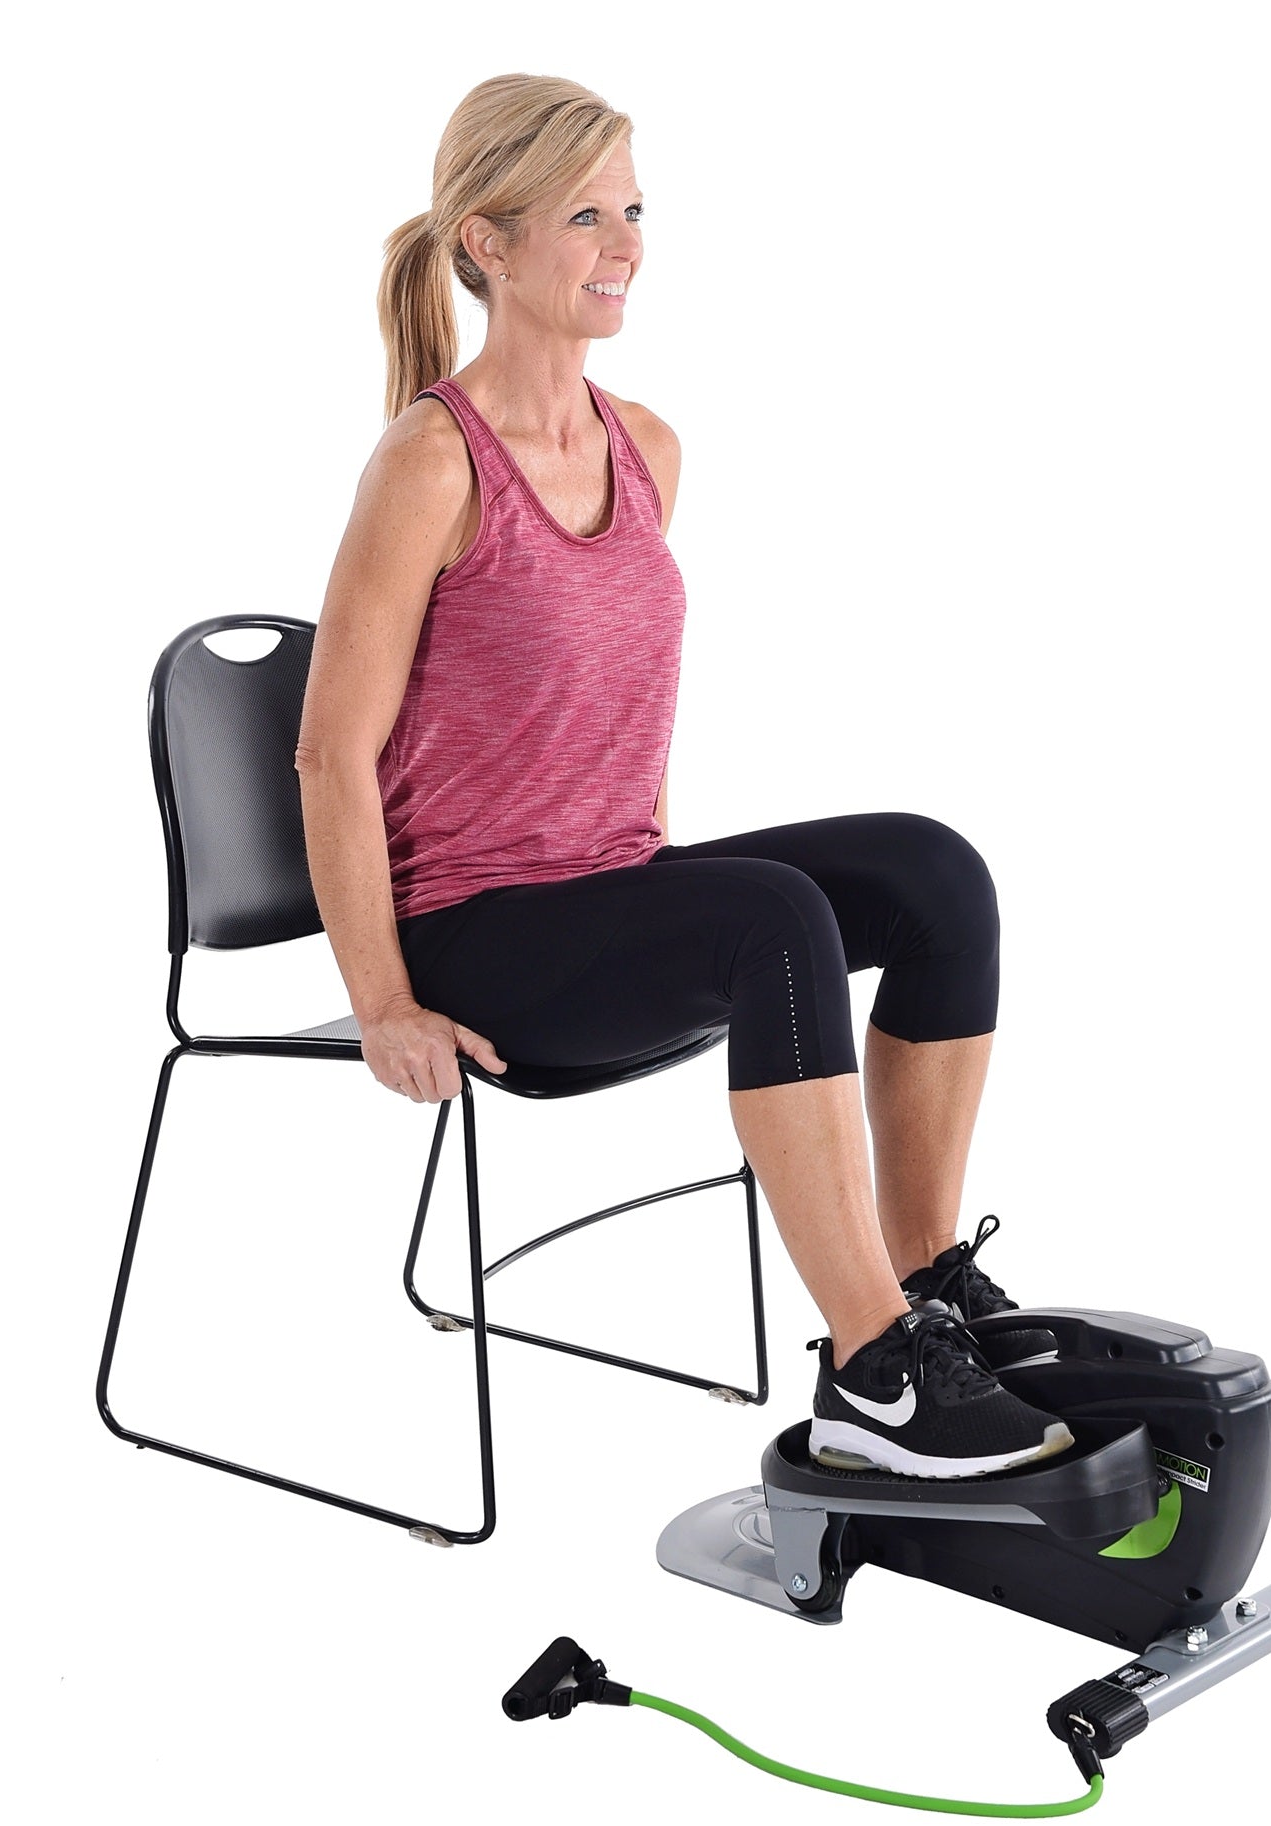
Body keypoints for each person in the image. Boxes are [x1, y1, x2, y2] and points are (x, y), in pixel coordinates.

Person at [294, 73, 1072, 1481]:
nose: (626, 248)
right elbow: (328, 753)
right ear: (487, 242)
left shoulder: (645, 448)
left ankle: (925, 1287)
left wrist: (655, 876)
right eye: (585, 218)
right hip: (472, 941)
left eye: (636, 212)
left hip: (604, 891)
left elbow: (601, 687)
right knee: (773, 918)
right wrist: (383, 1003)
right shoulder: (429, 464)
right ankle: (875, 1375)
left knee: (931, 871)